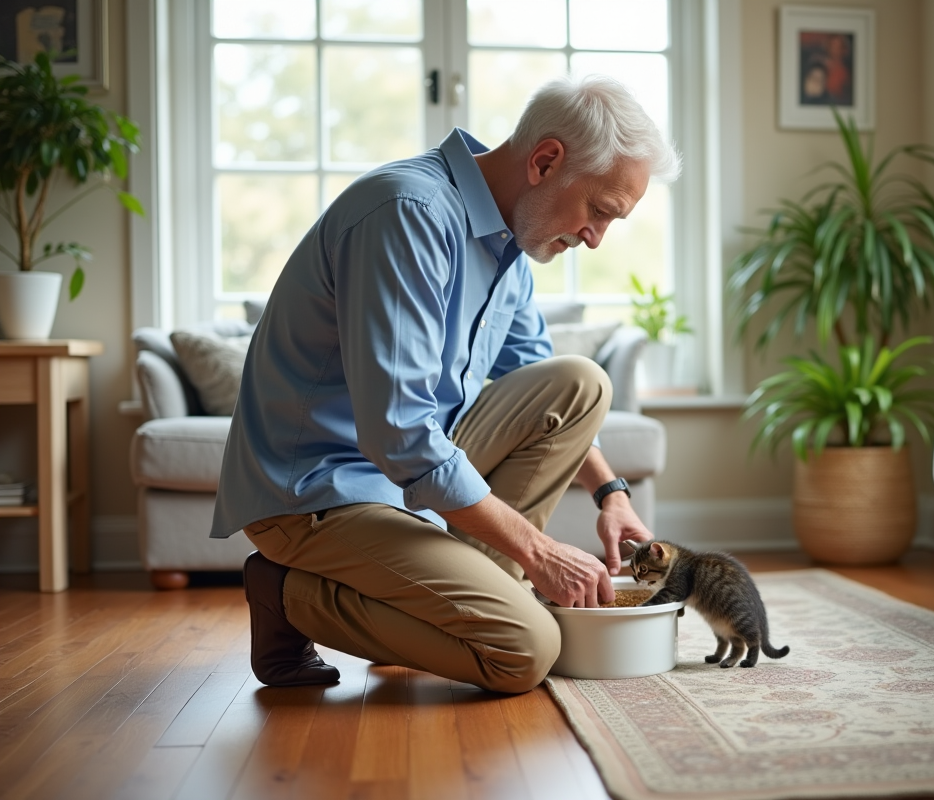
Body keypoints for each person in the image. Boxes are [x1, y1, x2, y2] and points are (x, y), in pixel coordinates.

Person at [209, 74, 681, 694]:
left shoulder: (512, 244)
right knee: (525, 651)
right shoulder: (409, 213)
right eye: (599, 211)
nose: (596, 238)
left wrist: (611, 494)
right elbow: (400, 433)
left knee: (579, 383)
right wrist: (538, 553)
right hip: (318, 494)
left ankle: (430, 607)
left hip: (398, 482)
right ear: (545, 161)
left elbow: (532, 377)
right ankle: (285, 594)